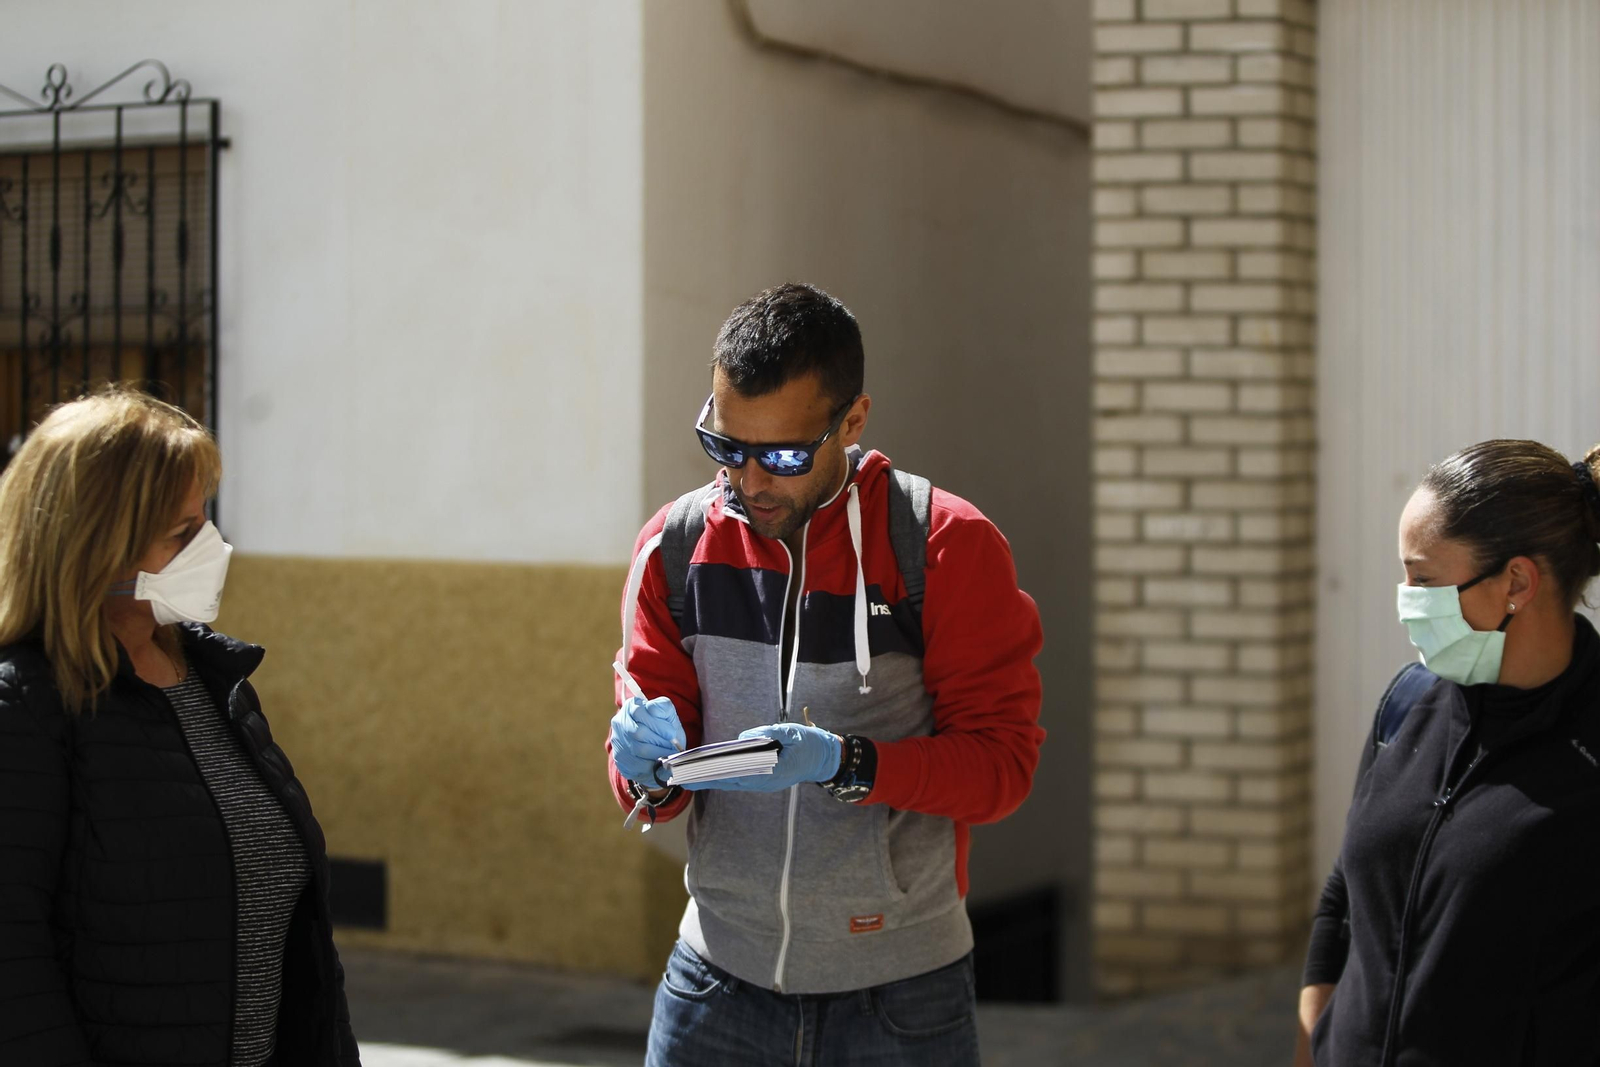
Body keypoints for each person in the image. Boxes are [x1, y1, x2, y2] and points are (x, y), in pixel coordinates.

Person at [607, 283, 1045, 1066]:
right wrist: (642, 770)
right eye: (725, 446)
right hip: (714, 986)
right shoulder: (673, 547)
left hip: (901, 997)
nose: (748, 480)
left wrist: (849, 763)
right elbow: (650, 788)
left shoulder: (945, 544)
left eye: (780, 455)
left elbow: (1003, 769)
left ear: (852, 420)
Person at [0, 389, 360, 1066]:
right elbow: (13, 976)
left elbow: (304, 948)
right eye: (180, 533)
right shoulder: (26, 708)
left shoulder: (212, 679)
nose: (212, 548)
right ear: (93, 547)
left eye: (206, 522)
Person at [1295, 439, 1600, 1066]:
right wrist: (1313, 1046)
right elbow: (1343, 900)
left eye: (1424, 578)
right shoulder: (1407, 705)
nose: (1407, 599)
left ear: (1516, 581)